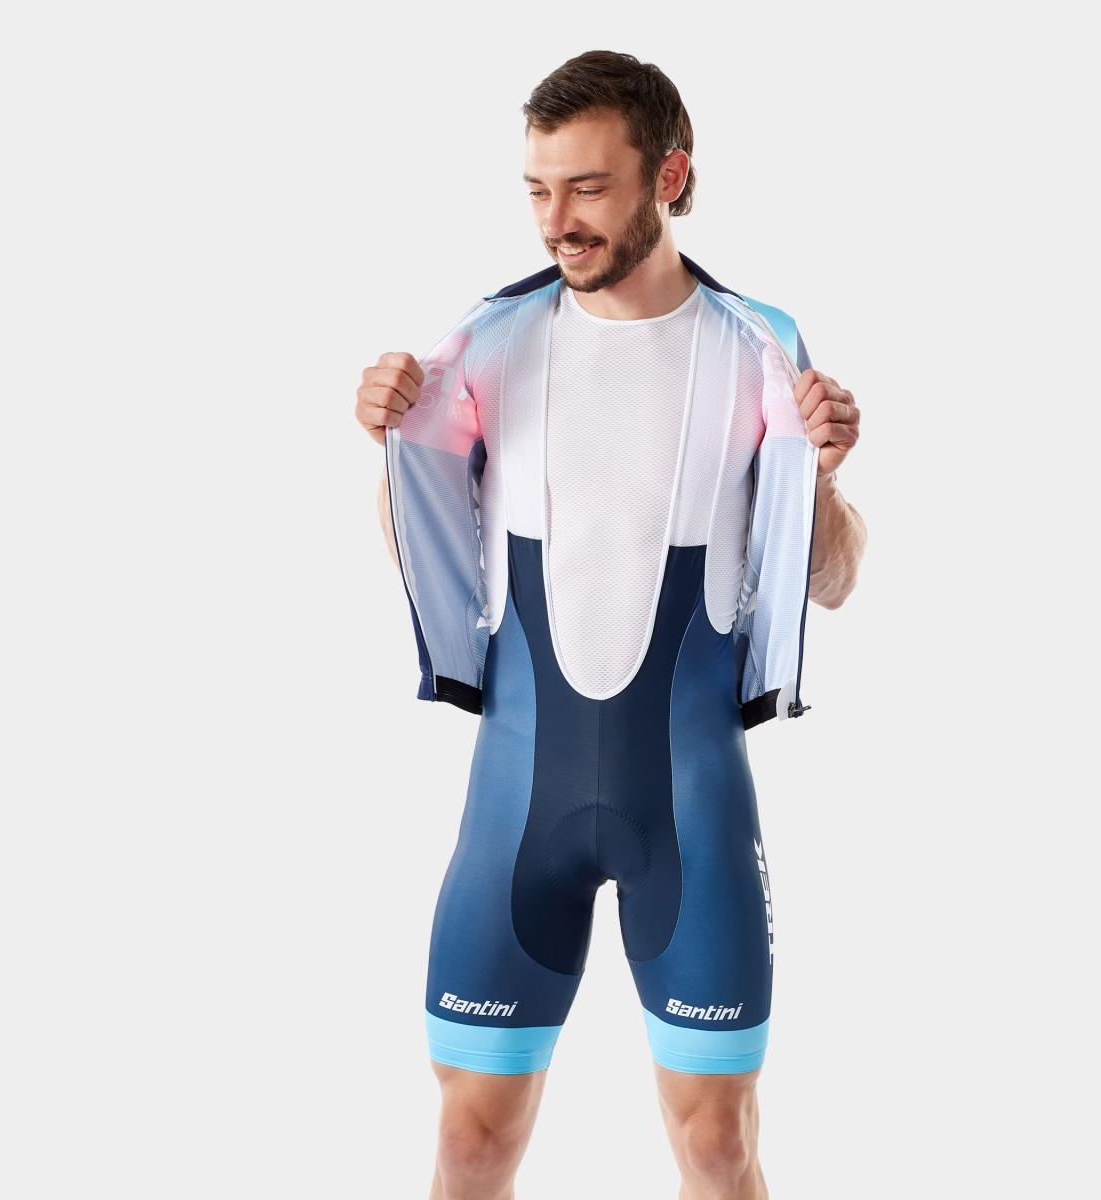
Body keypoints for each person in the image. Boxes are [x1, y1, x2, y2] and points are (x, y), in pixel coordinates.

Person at [354, 50, 865, 1200]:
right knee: (469, 1144)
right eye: (538, 190)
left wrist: (824, 477)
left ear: (667, 176)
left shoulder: (757, 346)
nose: (557, 222)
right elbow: (419, 552)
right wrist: (393, 446)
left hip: (688, 800)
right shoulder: (488, 341)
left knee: (717, 1146)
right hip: (515, 802)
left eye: (586, 187)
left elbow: (831, 578)